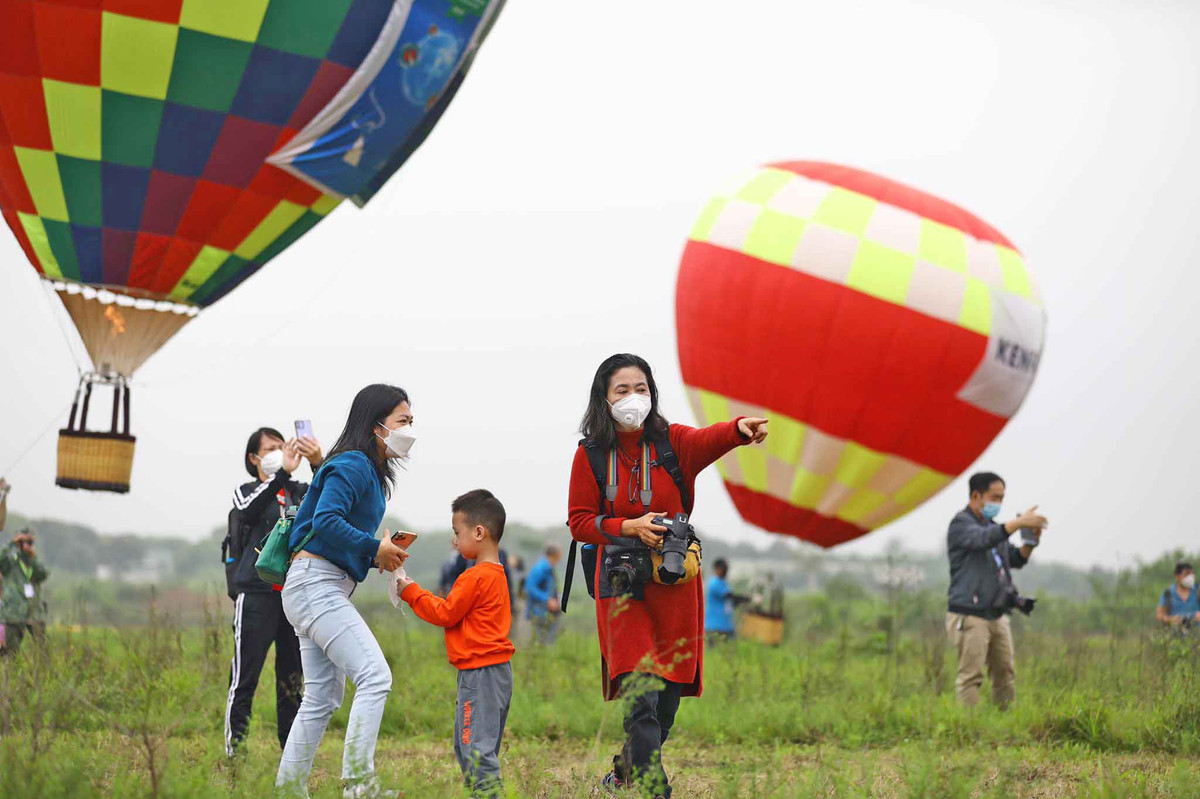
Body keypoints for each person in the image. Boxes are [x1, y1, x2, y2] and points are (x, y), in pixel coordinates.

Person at [567, 353, 768, 797]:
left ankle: (622, 773)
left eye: (641, 388)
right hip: (620, 587)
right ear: (604, 397)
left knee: (666, 703)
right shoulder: (591, 455)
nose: (633, 398)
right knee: (640, 692)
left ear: (652, 394)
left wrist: (738, 429)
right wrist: (628, 526)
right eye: (622, 389)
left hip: (673, 583)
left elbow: (710, 438)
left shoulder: (672, 443)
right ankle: (657, 790)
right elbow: (580, 521)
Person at [275, 384, 413, 799]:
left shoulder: (365, 470)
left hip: (313, 584)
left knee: (321, 698)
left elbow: (332, 533)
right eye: (402, 421)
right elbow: (327, 520)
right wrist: (374, 547)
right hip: (317, 585)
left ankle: (288, 790)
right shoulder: (353, 464)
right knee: (374, 676)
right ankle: (359, 786)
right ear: (376, 427)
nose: (409, 429)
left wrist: (377, 557)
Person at [397, 489, 514, 798]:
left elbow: (445, 613)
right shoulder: (498, 574)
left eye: (456, 532)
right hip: (496, 673)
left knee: (475, 749)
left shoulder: (474, 577)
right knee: (474, 746)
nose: (454, 540)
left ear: (479, 532)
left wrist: (410, 591)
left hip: (480, 673)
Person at [223, 428, 324, 757]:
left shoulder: (298, 491)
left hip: (292, 595)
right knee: (245, 677)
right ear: (254, 458)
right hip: (255, 594)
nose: (280, 452)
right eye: (271, 449)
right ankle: (236, 751)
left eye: (282, 447)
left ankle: (289, 756)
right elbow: (249, 511)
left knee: (292, 681)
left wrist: (316, 461)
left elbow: (326, 499)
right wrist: (281, 473)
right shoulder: (246, 490)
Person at [946, 471, 1048, 709]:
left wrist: (1030, 542)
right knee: (971, 676)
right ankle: (968, 730)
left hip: (997, 612)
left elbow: (1014, 559)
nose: (999, 503)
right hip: (970, 613)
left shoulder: (994, 528)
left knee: (1005, 673)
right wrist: (1018, 523)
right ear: (976, 496)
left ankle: (1003, 724)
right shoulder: (961, 524)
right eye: (995, 497)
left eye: (1002, 498)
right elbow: (983, 539)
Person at [0, 528, 49, 655]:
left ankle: (39, 675)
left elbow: (43, 574)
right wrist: (12, 544)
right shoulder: (11, 562)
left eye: (29, 542)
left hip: (34, 612)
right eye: (22, 542)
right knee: (9, 655)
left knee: (42, 654)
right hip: (13, 612)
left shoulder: (34, 561)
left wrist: (32, 558)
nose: (26, 545)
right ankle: (11, 675)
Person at [525, 544, 562, 645]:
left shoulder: (548, 568)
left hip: (547, 612)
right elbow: (530, 588)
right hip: (539, 612)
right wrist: (548, 600)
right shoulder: (541, 568)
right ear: (555, 555)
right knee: (541, 642)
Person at [704, 558, 747, 644]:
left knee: (728, 650)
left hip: (726, 625)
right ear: (716, 569)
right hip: (714, 625)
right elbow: (729, 596)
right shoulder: (714, 583)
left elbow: (730, 602)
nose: (725, 572)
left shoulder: (723, 583)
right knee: (716, 652)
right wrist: (747, 598)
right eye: (723, 569)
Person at [1157, 562, 1200, 630]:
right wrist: (1171, 619)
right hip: (1176, 636)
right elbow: (1160, 615)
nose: (1190, 577)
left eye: (1192, 574)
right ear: (1177, 576)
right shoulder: (1168, 594)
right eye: (1186, 574)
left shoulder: (1197, 590)